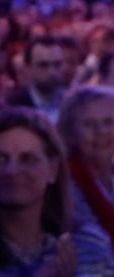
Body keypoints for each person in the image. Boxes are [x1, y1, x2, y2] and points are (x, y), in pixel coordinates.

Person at [0, 107, 113, 275]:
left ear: (53, 168)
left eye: (27, 159)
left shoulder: (90, 245)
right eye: (0, 159)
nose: (12, 170)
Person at [57, 85, 114, 243]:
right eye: (89, 124)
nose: (101, 131)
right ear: (71, 131)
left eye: (109, 122)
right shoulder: (63, 183)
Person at [8, 36, 67, 124]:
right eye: (43, 65)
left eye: (57, 64)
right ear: (27, 68)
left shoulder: (73, 104)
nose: (52, 72)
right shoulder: (13, 108)